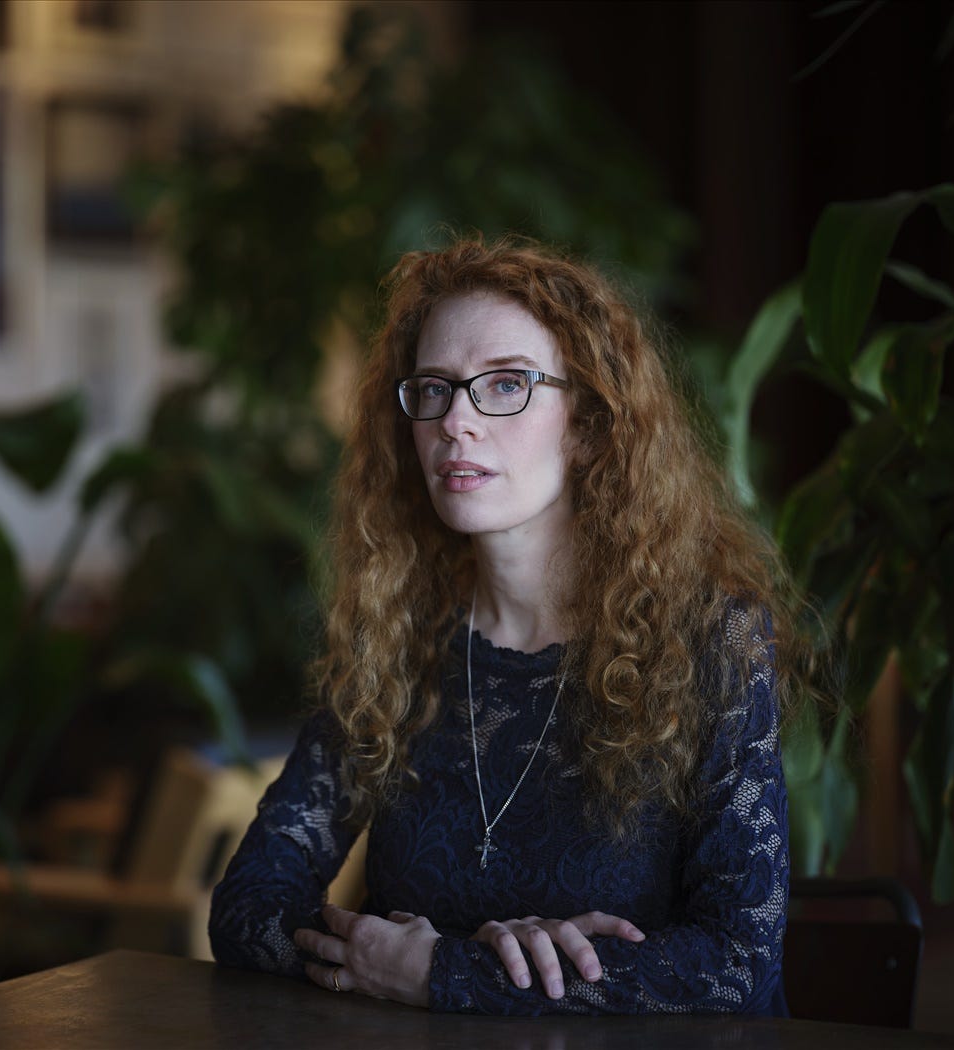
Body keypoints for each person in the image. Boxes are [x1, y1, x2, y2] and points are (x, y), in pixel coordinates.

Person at [209, 238, 805, 1015]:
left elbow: (738, 963)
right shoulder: (396, 639)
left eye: (506, 384)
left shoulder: (710, 641)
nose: (456, 421)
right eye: (434, 388)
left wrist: (445, 973)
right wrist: (380, 959)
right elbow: (247, 906)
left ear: (588, 424)